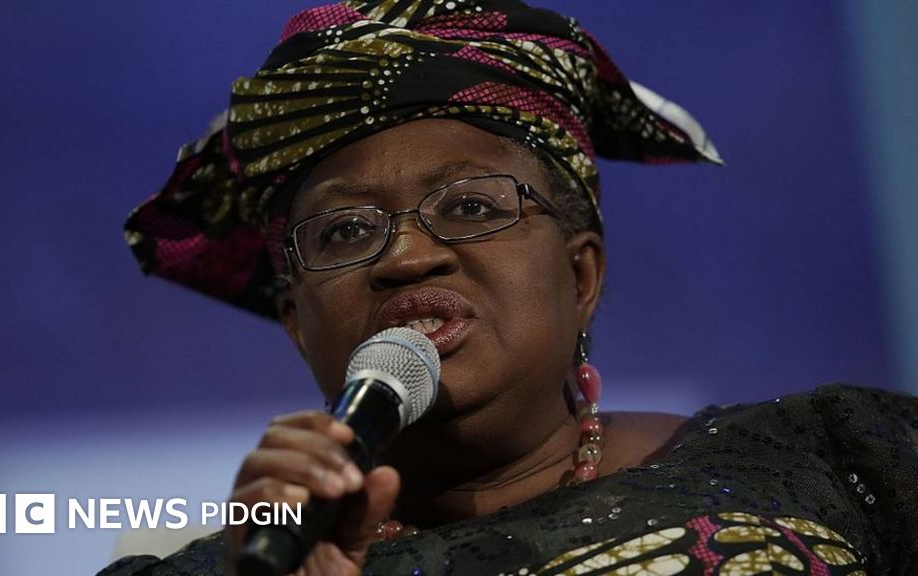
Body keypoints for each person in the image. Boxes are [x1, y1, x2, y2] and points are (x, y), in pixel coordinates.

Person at [102, 1, 918, 574]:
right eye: (345, 231)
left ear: (580, 273)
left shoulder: (847, 459)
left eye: (470, 207)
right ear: (295, 321)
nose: (407, 258)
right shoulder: (240, 567)